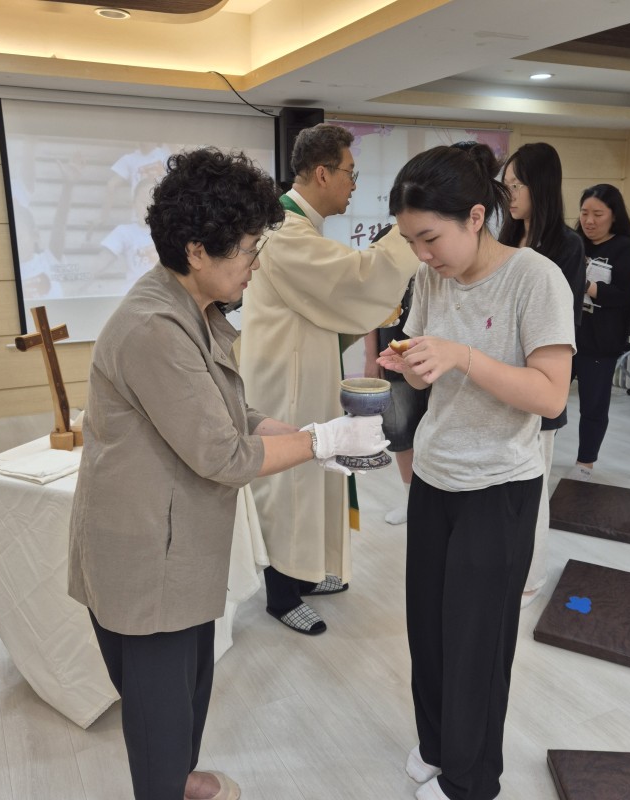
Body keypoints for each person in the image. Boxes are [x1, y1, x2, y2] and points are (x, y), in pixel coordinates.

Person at [68, 148, 389, 800]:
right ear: (196, 252)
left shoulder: (193, 310)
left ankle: (179, 780)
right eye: (245, 250)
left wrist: (312, 441)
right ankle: (167, 785)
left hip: (175, 551)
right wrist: (320, 440)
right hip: (144, 564)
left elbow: (236, 414)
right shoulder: (154, 327)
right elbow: (224, 454)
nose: (255, 264)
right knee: (160, 722)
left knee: (186, 698)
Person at [377, 144, 574, 800]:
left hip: (500, 487)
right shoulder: (432, 278)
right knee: (429, 631)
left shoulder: (536, 279)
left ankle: (469, 781)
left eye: (431, 238)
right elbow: (426, 365)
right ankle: (437, 747)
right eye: (412, 242)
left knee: (476, 647)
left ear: (476, 217)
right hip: (436, 476)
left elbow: (549, 396)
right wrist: (407, 363)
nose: (423, 255)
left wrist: (461, 355)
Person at [239, 123, 419, 635]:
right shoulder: (286, 232)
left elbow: (332, 296)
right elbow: (355, 278)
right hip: (284, 382)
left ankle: (304, 571)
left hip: (303, 371)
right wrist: (408, 238)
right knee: (289, 480)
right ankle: (280, 592)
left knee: (312, 472)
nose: (354, 184)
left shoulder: (298, 225)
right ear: (322, 173)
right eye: (349, 172)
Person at [498, 142, 585, 606]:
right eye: (506, 185)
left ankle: (531, 577)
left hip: (538, 385)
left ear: (541, 186)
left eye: (517, 185)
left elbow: (557, 327)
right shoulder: (506, 241)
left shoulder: (566, 247)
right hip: (499, 385)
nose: (510, 195)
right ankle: (507, 567)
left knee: (533, 492)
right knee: (504, 494)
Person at [571, 184, 630, 480]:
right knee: (545, 398)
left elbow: (623, 296)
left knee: (593, 404)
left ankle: (585, 462)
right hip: (565, 337)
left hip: (601, 342)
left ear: (614, 215)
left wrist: (583, 284)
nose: (589, 220)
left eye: (598, 213)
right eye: (585, 213)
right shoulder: (573, 242)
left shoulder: (626, 248)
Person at [363, 223, 429, 525]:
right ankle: (411, 499)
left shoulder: (441, 240)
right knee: (401, 429)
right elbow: (369, 306)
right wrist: (370, 356)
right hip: (395, 350)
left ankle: (432, 498)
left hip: (436, 350)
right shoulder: (385, 241)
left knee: (434, 428)